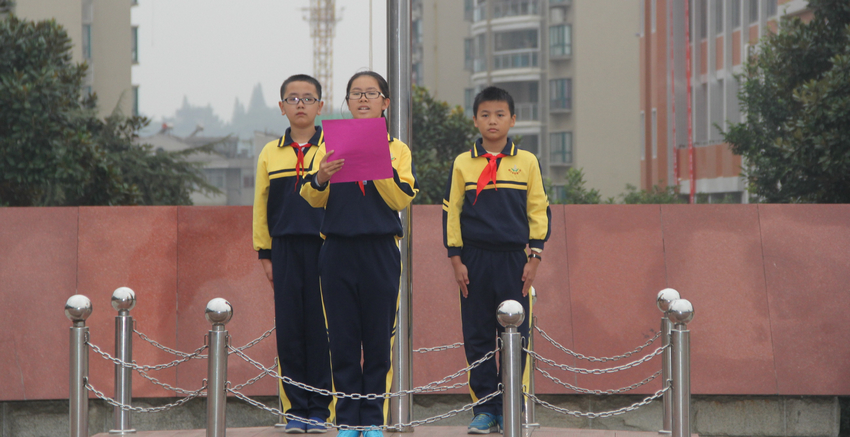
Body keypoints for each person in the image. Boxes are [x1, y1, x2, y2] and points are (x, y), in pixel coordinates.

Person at [301, 71, 418, 437]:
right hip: (337, 250)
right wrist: (322, 176)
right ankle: (348, 421)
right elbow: (311, 196)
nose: (363, 99)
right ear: (348, 102)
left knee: (379, 341)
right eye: (356, 93)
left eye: (371, 93)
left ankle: (373, 421)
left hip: (380, 251)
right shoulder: (328, 144)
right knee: (343, 340)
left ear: (386, 102)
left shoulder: (398, 149)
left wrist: (375, 161)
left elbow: (401, 198)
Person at [442, 86, 551, 434]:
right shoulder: (463, 163)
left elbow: (538, 209)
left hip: (513, 260)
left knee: (516, 334)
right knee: (477, 335)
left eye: (500, 114)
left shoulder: (526, 162)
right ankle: (485, 409)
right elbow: (451, 212)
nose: (493, 121)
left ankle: (510, 407)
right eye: (485, 114)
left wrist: (535, 256)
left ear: (512, 120)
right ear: (475, 120)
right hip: (473, 260)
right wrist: (456, 259)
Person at [253, 74, 333, 434]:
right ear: (281, 106)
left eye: (308, 98)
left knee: (321, 329)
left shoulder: (331, 148)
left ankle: (320, 410)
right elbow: (261, 206)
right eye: (293, 98)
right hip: (284, 249)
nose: (300, 104)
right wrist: (265, 253)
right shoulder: (270, 153)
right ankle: (296, 411)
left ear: (321, 105)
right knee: (289, 330)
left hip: (325, 246)